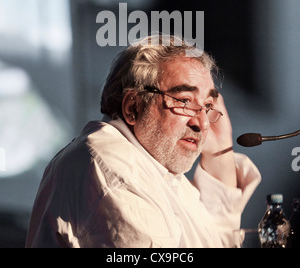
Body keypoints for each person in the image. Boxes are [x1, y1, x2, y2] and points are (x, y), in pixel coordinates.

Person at [26, 34, 261, 248]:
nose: (202, 123)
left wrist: (220, 148)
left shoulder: (156, 168)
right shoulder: (118, 170)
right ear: (133, 107)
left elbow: (212, 241)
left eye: (208, 106)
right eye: (184, 101)